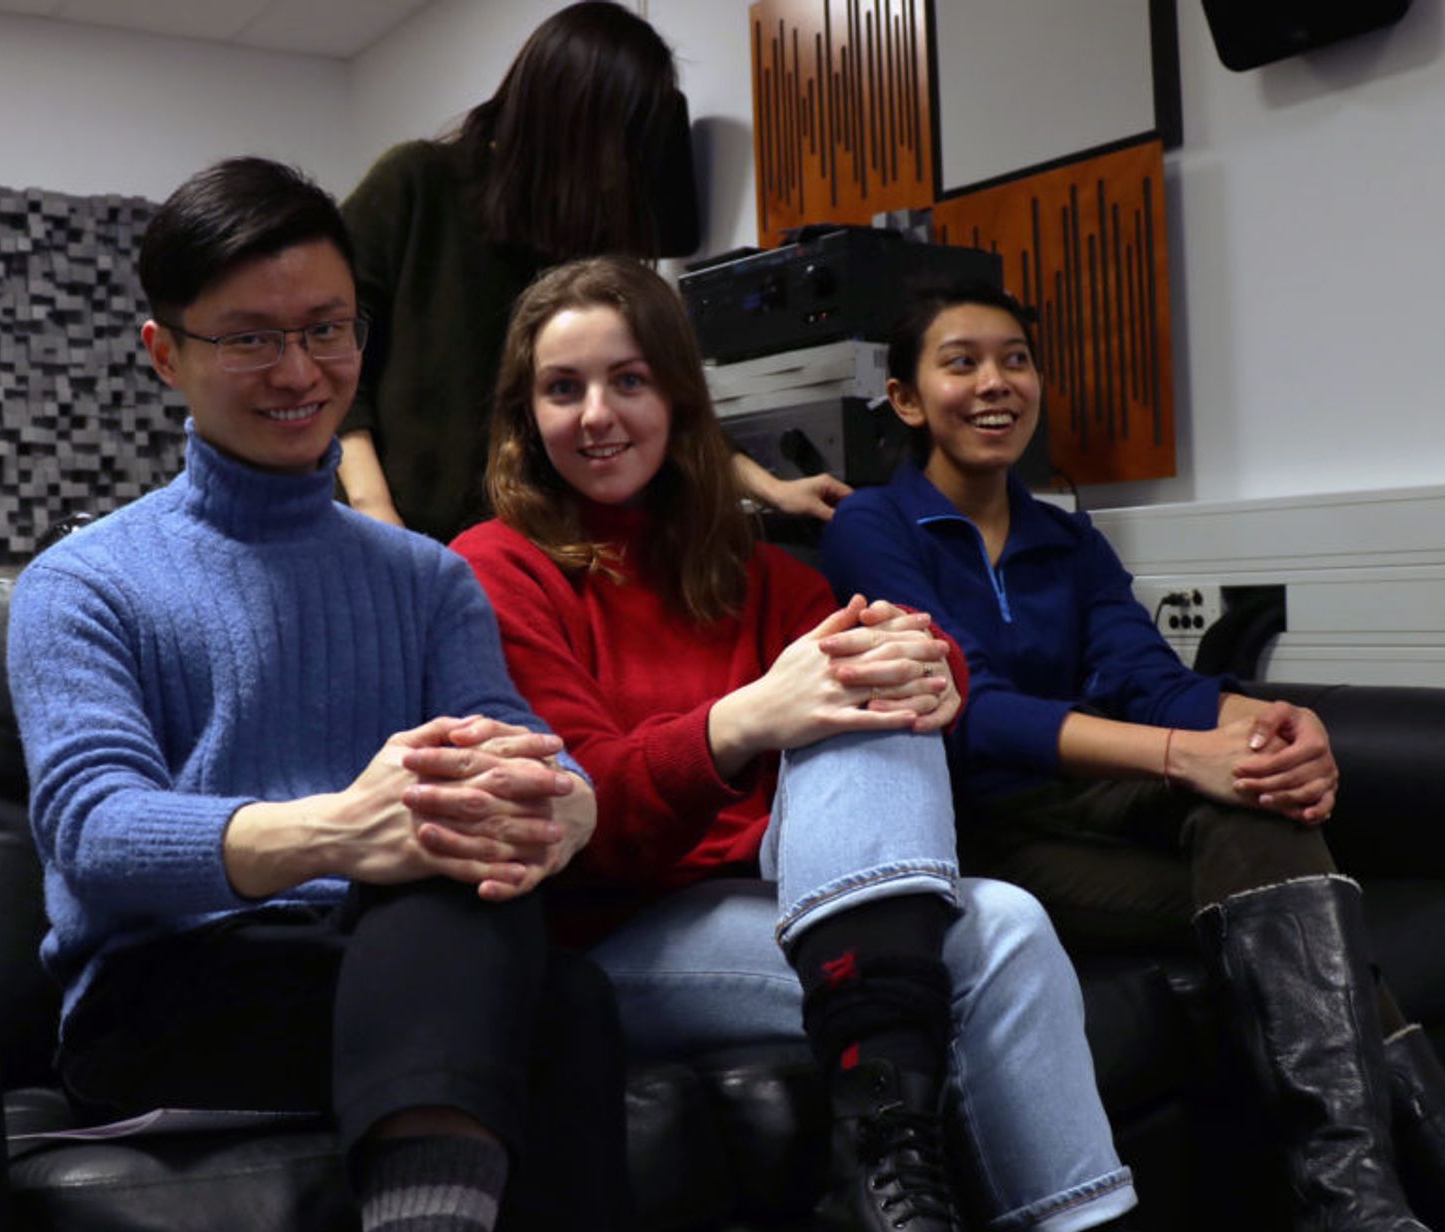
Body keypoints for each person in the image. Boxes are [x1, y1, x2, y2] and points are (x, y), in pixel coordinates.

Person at [822, 281, 1445, 1232]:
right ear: (909, 400)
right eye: (961, 362)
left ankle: (1356, 1206)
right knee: (1313, 938)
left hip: (1085, 803)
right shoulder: (872, 528)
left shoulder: (1068, 538)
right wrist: (1179, 756)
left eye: (1016, 359)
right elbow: (968, 709)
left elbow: (1146, 674)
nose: (996, 383)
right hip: (975, 830)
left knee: (1263, 833)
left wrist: (1265, 720)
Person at [5, 156, 628, 1232]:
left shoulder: (428, 578)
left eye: (328, 329)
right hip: (167, 984)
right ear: (164, 355)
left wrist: (566, 800)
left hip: (386, 956)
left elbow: (518, 743)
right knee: (526, 979)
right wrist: (345, 829)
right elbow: (94, 829)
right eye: (250, 337)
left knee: (515, 942)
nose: (299, 370)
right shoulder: (83, 584)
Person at [452, 256, 1136, 1232]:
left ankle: (911, 1166)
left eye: (629, 380)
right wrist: (748, 719)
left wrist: (935, 664)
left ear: (681, 399)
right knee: (839, 707)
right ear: (527, 414)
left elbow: (889, 662)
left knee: (1004, 904)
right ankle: (887, 1125)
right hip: (613, 930)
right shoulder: (491, 569)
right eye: (564, 389)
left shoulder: (758, 570)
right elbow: (579, 810)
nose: (597, 413)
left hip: (796, 885)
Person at [338, 0, 844, 542]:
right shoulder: (415, 185)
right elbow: (333, 363)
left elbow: (660, 404)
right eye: (621, 145)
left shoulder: (586, 245)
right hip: (406, 539)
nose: (625, 173)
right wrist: (376, 514)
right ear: (568, 119)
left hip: (534, 547)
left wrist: (772, 488)